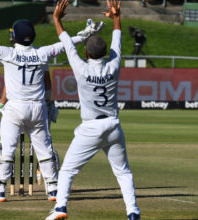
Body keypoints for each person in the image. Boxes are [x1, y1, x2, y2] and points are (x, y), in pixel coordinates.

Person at [0, 18, 103, 203]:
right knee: (44, 150)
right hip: (38, 108)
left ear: (15, 37)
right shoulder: (43, 53)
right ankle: (53, 189)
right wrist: (85, 34)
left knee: (8, 150)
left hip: (15, 108)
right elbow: (63, 45)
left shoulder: (7, 53)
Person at [46, 0, 141, 220]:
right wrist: (117, 17)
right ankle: (133, 211)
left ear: (87, 54)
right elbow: (118, 42)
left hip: (90, 128)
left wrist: (56, 19)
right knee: (123, 172)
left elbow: (67, 43)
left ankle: (60, 208)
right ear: (105, 53)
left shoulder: (80, 67)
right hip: (113, 126)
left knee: (68, 171)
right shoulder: (113, 65)